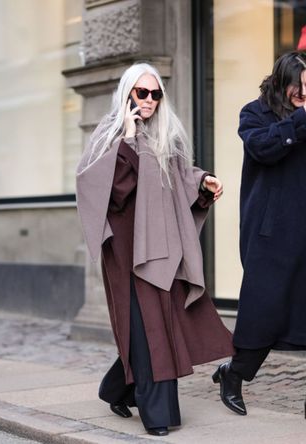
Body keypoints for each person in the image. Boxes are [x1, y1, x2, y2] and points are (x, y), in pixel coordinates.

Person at [76, 62, 234, 436]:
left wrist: (202, 181)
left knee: (158, 324)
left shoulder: (167, 135)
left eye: (155, 94)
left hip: (161, 245)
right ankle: (158, 415)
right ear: (127, 93)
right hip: (127, 251)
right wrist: (128, 140)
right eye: (141, 93)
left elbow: (179, 178)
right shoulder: (108, 133)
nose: (148, 101)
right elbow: (108, 194)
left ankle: (116, 388)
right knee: (147, 327)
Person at [213, 51, 306, 418]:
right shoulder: (255, 113)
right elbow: (262, 148)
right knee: (263, 314)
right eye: (298, 86)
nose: (302, 92)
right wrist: (300, 120)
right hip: (272, 235)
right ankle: (233, 374)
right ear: (283, 82)